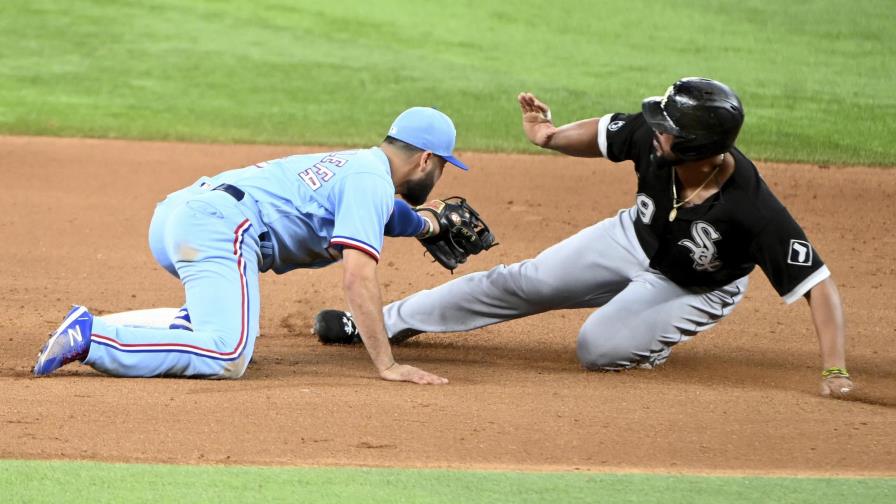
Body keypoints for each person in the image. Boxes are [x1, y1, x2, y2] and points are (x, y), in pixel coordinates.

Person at [315, 78, 854, 399]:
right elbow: (604, 132)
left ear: (698, 145)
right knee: (520, 282)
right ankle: (383, 324)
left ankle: (647, 338)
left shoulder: (753, 210)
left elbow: (819, 285)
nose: (655, 128)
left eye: (668, 128)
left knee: (599, 348)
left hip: (695, 285)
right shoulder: (655, 135)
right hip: (633, 237)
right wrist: (548, 136)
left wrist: (834, 369)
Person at [33, 106, 473, 385]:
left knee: (216, 326)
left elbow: (381, 213)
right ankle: (92, 336)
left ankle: (145, 328)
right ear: (426, 160)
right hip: (219, 227)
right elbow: (358, 278)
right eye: (442, 167)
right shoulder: (368, 182)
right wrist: (387, 365)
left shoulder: (361, 167)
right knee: (228, 353)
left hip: (181, 216)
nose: (439, 177)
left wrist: (424, 225)